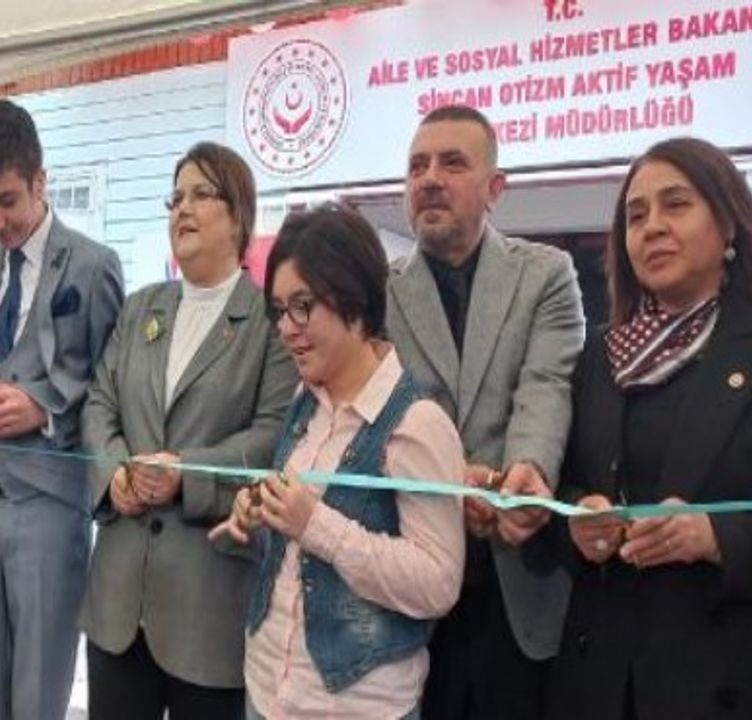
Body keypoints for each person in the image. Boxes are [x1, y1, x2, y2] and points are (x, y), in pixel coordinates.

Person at [212, 203, 465, 719]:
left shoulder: (417, 424)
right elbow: (295, 542)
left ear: (355, 297)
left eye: (303, 306)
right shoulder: (304, 401)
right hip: (267, 688)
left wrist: (316, 525)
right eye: (279, 310)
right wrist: (262, 509)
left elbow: (438, 583)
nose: (288, 328)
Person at [80, 141, 297, 719]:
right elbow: (99, 403)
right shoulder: (139, 309)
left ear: (240, 216)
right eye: (175, 198)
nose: (183, 209)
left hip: (209, 612)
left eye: (201, 194)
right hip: (118, 605)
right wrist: (116, 474)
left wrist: (188, 473)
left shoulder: (268, 323)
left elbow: (275, 434)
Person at [387, 105, 585, 720]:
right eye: (417, 166)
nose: (429, 178)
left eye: (452, 163)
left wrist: (523, 474)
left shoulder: (546, 275)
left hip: (515, 576)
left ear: (496, 187)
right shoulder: (377, 290)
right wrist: (448, 483)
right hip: (405, 591)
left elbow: (546, 384)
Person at [547, 137, 752, 719]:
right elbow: (562, 491)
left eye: (676, 205)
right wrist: (577, 521)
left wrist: (716, 537)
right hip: (598, 677)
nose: (652, 227)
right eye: (636, 216)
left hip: (722, 675)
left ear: (728, 224)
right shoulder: (601, 355)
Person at [0, 99, 124, 720]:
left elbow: (112, 389)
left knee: (37, 697)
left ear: (40, 182)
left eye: (7, 200)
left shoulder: (94, 265)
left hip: (51, 503)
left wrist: (44, 411)